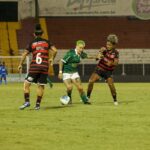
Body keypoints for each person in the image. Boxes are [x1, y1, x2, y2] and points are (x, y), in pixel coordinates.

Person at [18, 23, 57, 110]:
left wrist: (20, 64)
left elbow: (24, 54)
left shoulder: (32, 43)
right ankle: (37, 105)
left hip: (34, 67)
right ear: (42, 34)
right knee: (41, 85)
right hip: (44, 67)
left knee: (26, 85)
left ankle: (27, 102)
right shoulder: (47, 42)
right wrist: (51, 59)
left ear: (34, 34)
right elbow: (55, 50)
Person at [87, 34, 119, 105]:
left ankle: (115, 100)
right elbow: (96, 58)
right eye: (107, 44)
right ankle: (87, 97)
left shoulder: (116, 52)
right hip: (99, 69)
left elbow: (116, 63)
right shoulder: (103, 50)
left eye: (109, 45)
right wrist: (98, 56)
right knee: (91, 81)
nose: (107, 46)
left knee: (111, 85)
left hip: (108, 72)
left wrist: (111, 63)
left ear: (113, 45)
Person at [58, 40, 94, 104]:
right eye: (80, 47)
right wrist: (60, 72)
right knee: (69, 88)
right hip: (66, 73)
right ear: (76, 46)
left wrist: (97, 57)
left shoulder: (81, 54)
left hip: (74, 73)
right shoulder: (70, 53)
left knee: (80, 88)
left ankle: (85, 100)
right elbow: (61, 61)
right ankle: (69, 99)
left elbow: (88, 56)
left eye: (83, 48)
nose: (81, 49)